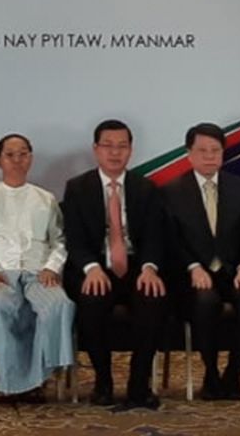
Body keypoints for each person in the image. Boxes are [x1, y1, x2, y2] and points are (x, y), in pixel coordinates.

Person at [62, 119, 167, 410]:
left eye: (122, 146)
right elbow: (74, 239)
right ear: (96, 149)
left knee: (152, 296)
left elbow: (156, 237)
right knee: (91, 297)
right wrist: (90, 267)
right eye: (108, 145)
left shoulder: (145, 188)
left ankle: (138, 383)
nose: (115, 152)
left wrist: (149, 267)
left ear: (131, 151)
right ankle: (103, 381)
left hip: (135, 265)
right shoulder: (77, 188)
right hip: (96, 265)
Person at [161, 122, 240, 401]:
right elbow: (170, 242)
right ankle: (211, 374)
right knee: (205, 301)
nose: (209, 156)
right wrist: (192, 267)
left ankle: (233, 373)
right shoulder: (171, 191)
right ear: (189, 154)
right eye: (202, 150)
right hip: (192, 274)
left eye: (215, 150)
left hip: (233, 271)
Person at [0, 133, 74, 401]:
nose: (17, 160)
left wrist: (52, 267)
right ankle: (8, 383)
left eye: (23, 154)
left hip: (37, 274)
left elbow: (60, 240)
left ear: (30, 158)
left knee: (58, 305)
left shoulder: (45, 199)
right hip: (1, 275)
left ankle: (40, 377)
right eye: (10, 155)